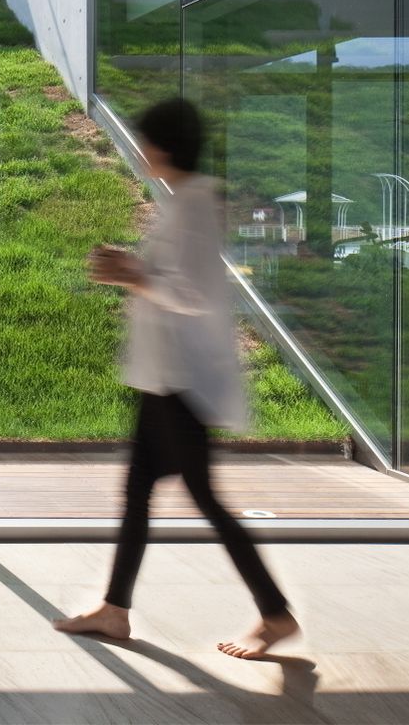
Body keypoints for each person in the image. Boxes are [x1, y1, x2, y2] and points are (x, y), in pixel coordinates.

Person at [53, 97, 299, 660]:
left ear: (162, 146)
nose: (140, 150)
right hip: (164, 378)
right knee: (139, 490)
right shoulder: (183, 201)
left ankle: (275, 614)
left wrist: (132, 273)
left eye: (146, 140)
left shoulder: (194, 206)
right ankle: (115, 610)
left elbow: (189, 293)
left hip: (182, 383)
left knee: (203, 499)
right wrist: (135, 272)